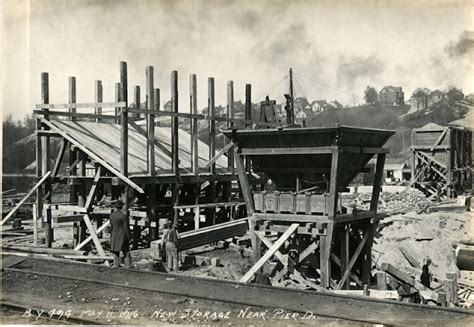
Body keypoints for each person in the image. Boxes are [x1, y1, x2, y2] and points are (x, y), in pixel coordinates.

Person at [109, 200, 131, 268]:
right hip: (122, 236)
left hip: (114, 236)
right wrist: (129, 237)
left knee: (115, 252)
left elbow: (111, 227)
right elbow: (126, 228)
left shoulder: (112, 216)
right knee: (126, 252)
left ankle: (116, 265)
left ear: (115, 207)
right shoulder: (123, 216)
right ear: (121, 207)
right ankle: (128, 266)